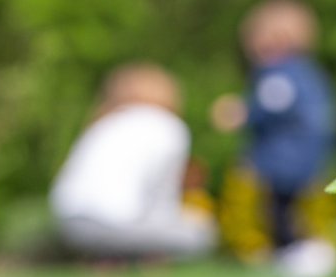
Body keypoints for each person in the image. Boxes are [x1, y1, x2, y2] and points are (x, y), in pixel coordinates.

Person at [210, 0, 336, 277]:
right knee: (286, 207)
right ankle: (295, 252)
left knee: (277, 207)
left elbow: (273, 104)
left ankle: (291, 253)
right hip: (307, 154)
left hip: (284, 156)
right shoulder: (308, 70)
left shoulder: (278, 71)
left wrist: (241, 113)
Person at [50, 63, 217, 259]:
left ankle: (106, 257)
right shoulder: (167, 126)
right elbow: (161, 197)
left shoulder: (103, 122)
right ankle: (142, 257)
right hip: (118, 226)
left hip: (70, 225)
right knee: (201, 230)